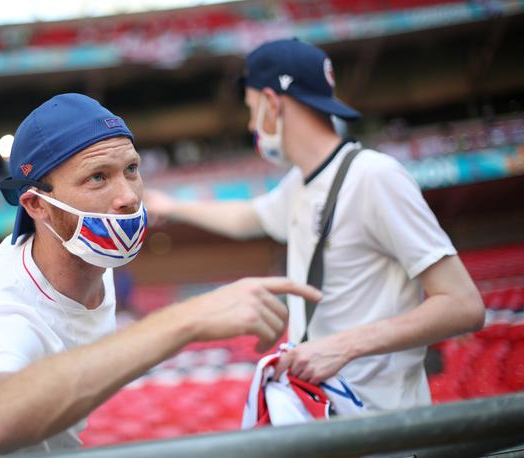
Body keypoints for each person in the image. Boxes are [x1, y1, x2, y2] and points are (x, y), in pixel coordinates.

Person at [0, 93, 321, 457]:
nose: (128, 196)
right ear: (37, 205)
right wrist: (188, 319)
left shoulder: (93, 261)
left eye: (131, 169)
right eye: (97, 178)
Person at [145, 38, 484, 413]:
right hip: (327, 416)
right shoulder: (299, 183)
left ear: (272, 103)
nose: (250, 123)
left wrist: (344, 344)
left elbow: (463, 305)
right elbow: (245, 218)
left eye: (252, 108)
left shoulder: (374, 176)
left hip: (385, 428)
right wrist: (171, 205)